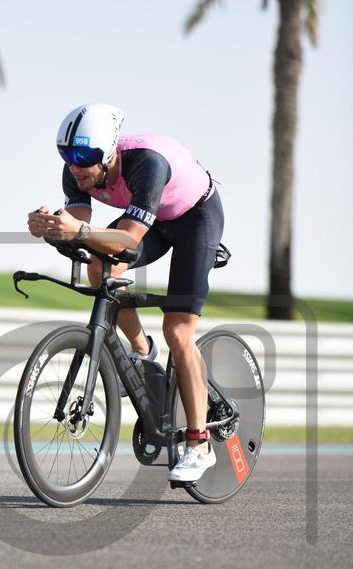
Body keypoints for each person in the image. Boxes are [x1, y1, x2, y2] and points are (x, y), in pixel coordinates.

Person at [27, 103, 225, 482]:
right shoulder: (77, 171)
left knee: (178, 331)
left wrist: (78, 232)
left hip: (196, 218)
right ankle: (142, 352)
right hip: (154, 219)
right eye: (67, 155)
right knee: (97, 266)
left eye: (83, 157)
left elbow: (130, 239)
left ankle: (199, 445)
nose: (74, 166)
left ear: (107, 153)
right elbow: (81, 230)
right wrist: (50, 227)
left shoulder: (147, 164)